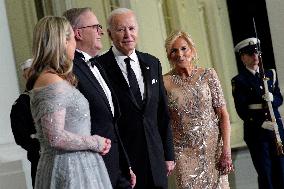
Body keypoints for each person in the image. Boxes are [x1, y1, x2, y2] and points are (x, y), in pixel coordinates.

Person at [26, 16, 113, 189]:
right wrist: (95, 142)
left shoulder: (53, 78)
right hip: (70, 170)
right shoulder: (51, 81)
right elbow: (55, 137)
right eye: (73, 38)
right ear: (63, 42)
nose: (75, 44)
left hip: (76, 165)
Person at [97, 7, 175, 189]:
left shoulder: (152, 62)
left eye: (131, 29)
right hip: (124, 161)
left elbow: (162, 113)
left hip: (156, 158)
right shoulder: (100, 67)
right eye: (120, 29)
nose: (127, 35)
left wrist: (168, 154)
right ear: (109, 33)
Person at [63, 7, 135, 189]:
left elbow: (112, 122)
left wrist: (126, 165)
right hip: (94, 167)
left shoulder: (98, 65)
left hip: (117, 166)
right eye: (95, 27)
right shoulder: (69, 71)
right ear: (78, 33)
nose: (101, 32)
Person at [163, 30, 233, 189]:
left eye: (183, 48)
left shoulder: (208, 75)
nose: (179, 54)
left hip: (214, 151)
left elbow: (223, 115)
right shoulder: (163, 83)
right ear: (169, 55)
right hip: (184, 154)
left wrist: (226, 150)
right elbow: (163, 121)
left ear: (192, 50)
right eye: (174, 50)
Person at [231, 37, 284, 189]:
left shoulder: (269, 74)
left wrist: (273, 99)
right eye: (250, 54)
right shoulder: (239, 80)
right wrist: (260, 123)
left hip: (276, 131)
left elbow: (279, 99)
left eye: (257, 54)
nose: (255, 57)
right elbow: (241, 110)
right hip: (257, 133)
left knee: (281, 170)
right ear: (243, 58)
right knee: (266, 173)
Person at [10, 58, 40, 187]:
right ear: (25, 76)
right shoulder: (22, 103)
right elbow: (21, 137)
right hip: (39, 162)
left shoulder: (53, 95)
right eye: (29, 74)